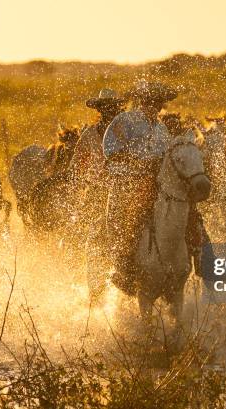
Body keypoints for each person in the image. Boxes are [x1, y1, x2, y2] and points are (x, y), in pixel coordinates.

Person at [103, 80, 201, 291]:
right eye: (150, 100)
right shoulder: (124, 121)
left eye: (158, 102)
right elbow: (110, 151)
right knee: (134, 213)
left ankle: (198, 253)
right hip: (128, 181)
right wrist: (139, 162)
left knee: (190, 208)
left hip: (156, 182)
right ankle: (125, 267)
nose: (154, 105)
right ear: (141, 101)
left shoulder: (161, 128)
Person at [69, 89, 127, 226]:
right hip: (97, 187)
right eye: (105, 107)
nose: (109, 110)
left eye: (112, 107)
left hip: (123, 186)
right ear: (99, 110)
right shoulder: (89, 134)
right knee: (83, 223)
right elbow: (77, 162)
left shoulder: (126, 132)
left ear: (117, 108)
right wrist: (77, 181)